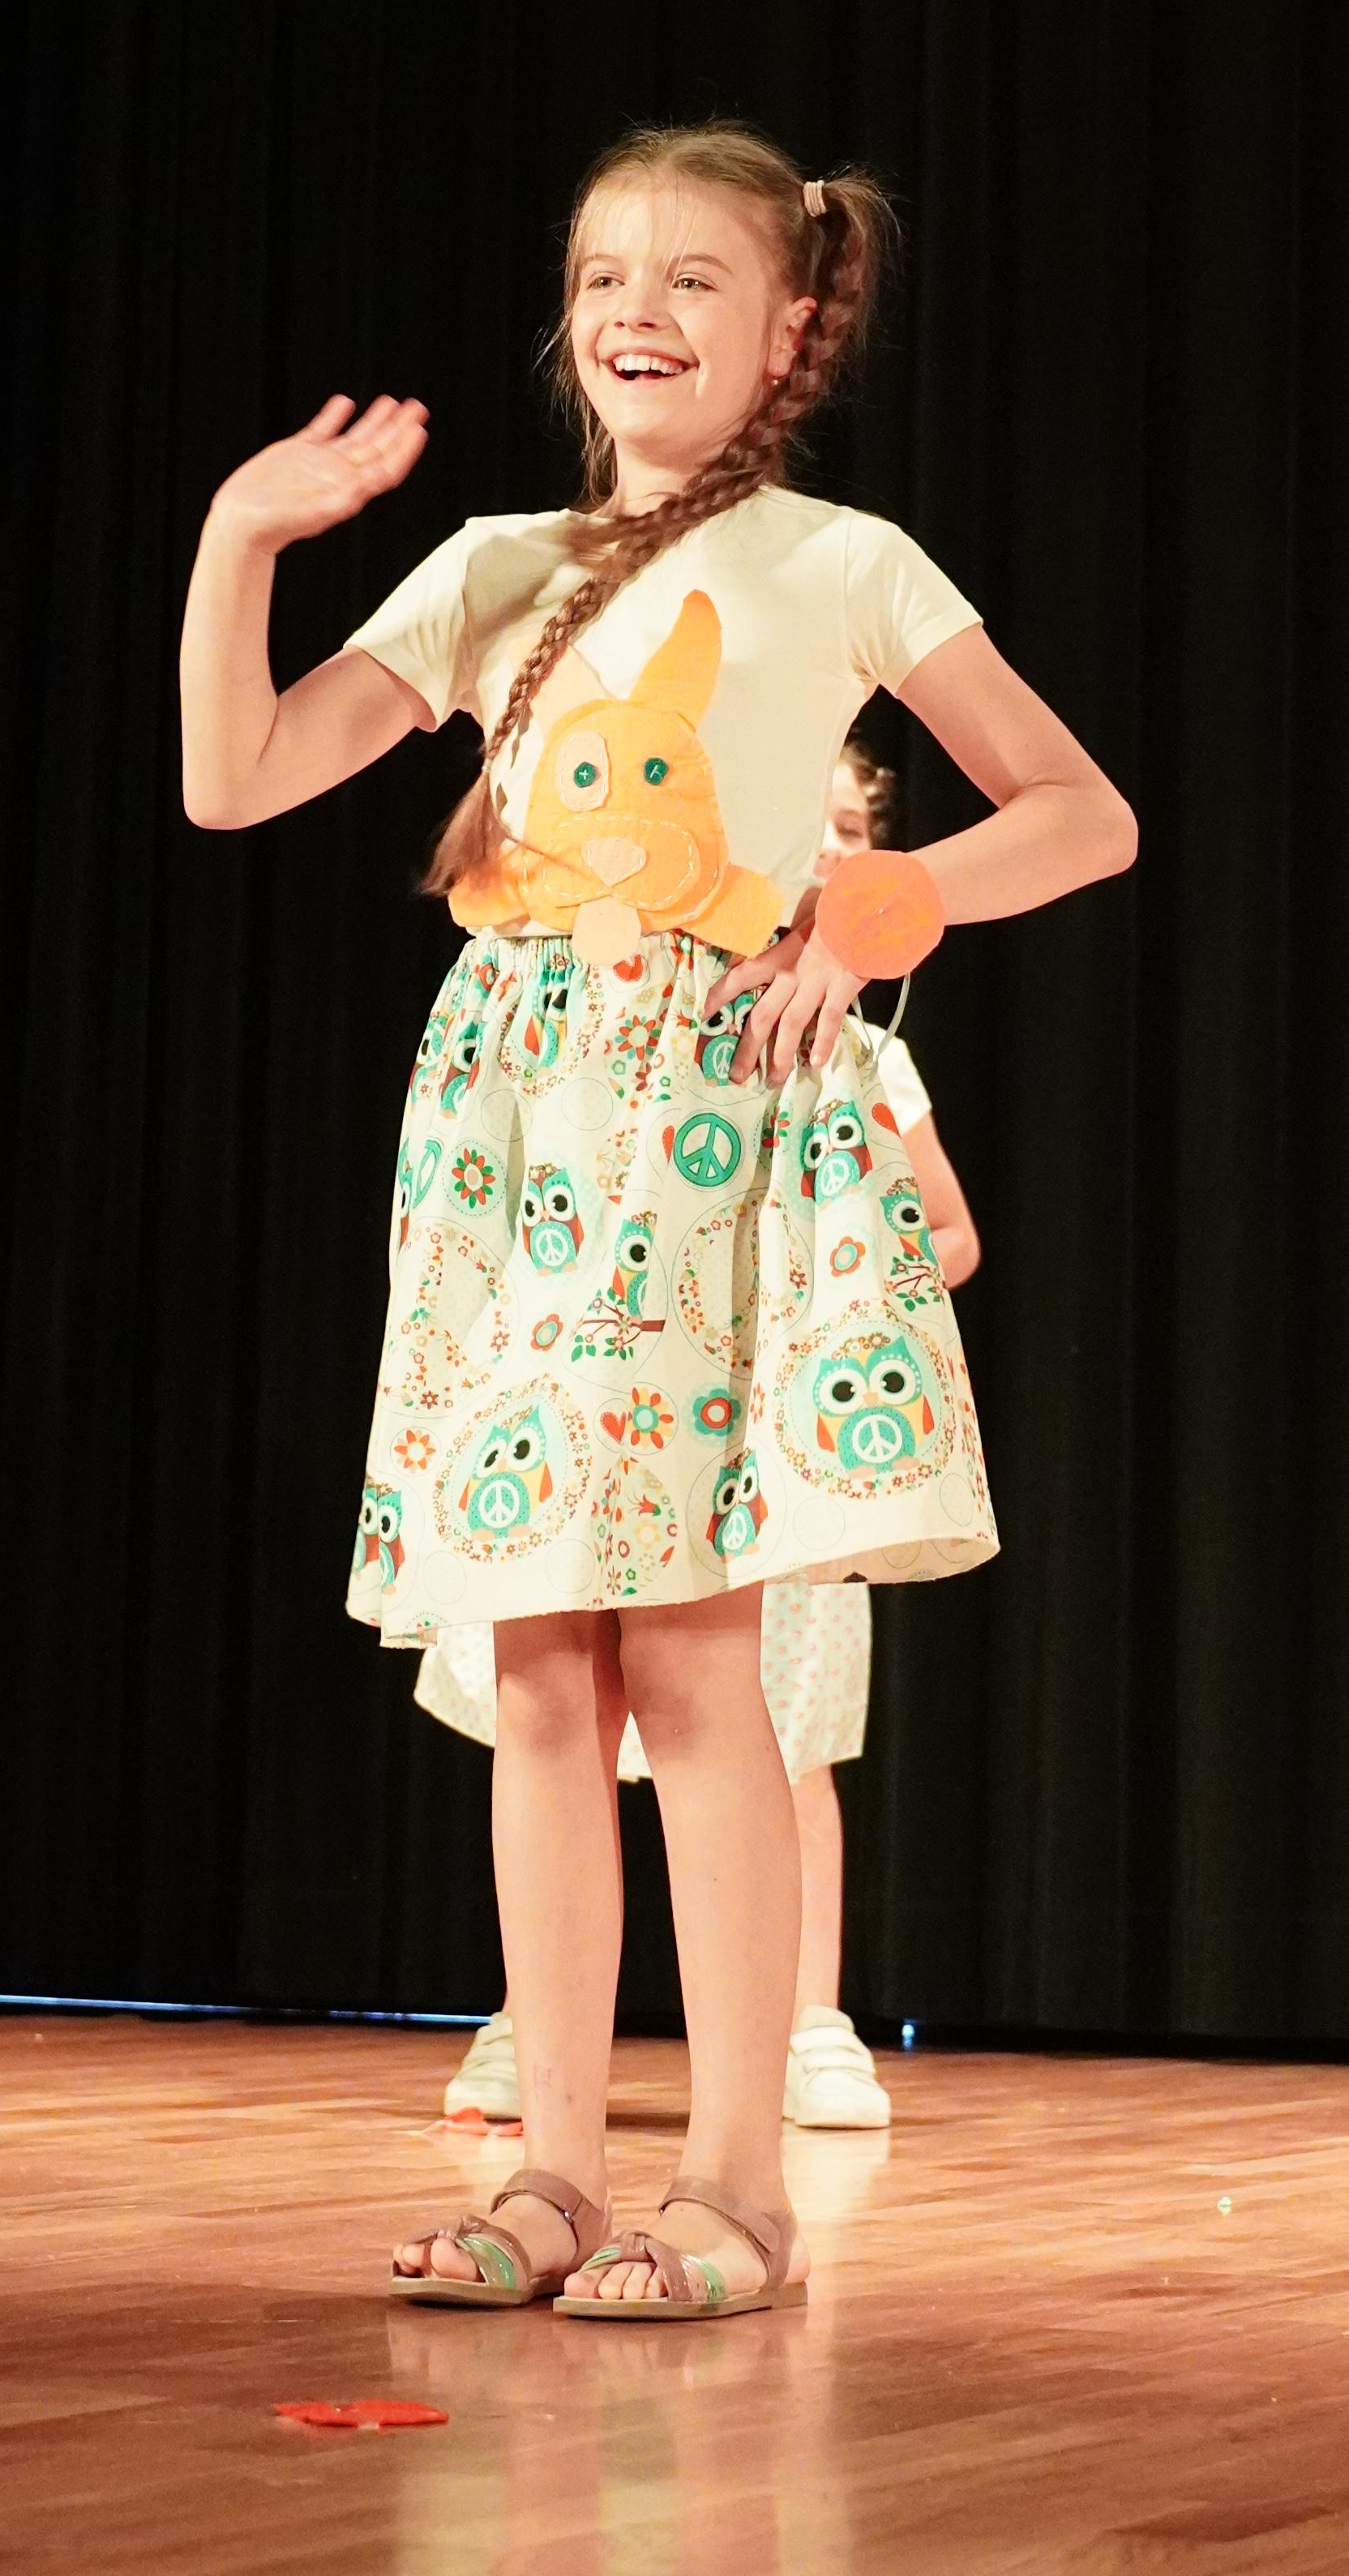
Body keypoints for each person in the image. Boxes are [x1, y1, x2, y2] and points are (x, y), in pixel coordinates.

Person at [177, 122, 1134, 2320]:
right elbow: (238, 778)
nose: (639, 309)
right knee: (536, 1671)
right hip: (519, 1139)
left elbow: (1081, 812)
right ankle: (547, 2173)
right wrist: (243, 538)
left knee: (698, 1666)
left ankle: (735, 2188)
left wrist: (870, 904)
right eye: (608, 271)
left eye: (696, 278)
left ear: (792, 325)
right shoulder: (493, 567)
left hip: (708, 1120)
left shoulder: (847, 563)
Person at [421, 742, 984, 2136]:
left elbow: (946, 1230)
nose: (827, 847)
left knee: (771, 1726)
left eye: (850, 829)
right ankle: (533, 2027)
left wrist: (832, 1292)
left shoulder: (868, 1050)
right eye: (810, 819)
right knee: (558, 1703)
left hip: (761, 1430)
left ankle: (807, 2025)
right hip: (605, 1398)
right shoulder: (566, 996)